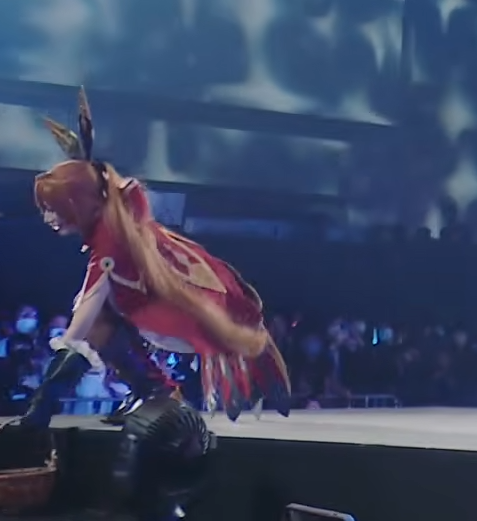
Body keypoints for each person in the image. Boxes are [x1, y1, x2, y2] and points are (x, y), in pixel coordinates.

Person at [16, 90, 291, 428]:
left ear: (79, 204)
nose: (48, 218)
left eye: (53, 209)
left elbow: (81, 325)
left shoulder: (111, 242)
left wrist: (43, 403)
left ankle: (155, 392)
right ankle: (154, 392)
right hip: (153, 299)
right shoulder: (113, 220)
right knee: (100, 322)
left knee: (95, 323)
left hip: (176, 305)